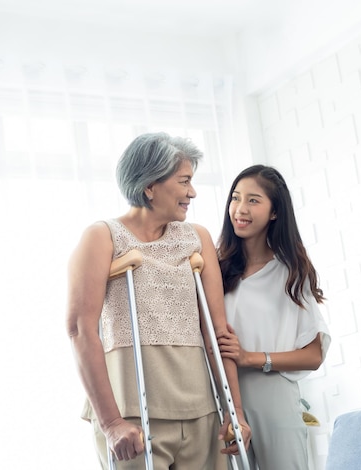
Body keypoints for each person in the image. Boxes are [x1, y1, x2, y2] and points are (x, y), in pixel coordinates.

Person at [66, 132, 251, 469]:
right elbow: (80, 330)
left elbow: (217, 333)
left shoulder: (197, 238)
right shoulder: (102, 236)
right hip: (131, 413)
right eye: (184, 181)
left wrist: (234, 411)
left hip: (200, 410)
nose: (192, 192)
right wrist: (110, 424)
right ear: (150, 185)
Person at [217, 164, 331, 470]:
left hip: (273, 395)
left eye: (253, 200)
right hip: (221, 398)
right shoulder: (215, 269)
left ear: (274, 212)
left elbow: (314, 354)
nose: (240, 209)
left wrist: (251, 358)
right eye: (236, 198)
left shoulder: (290, 273)